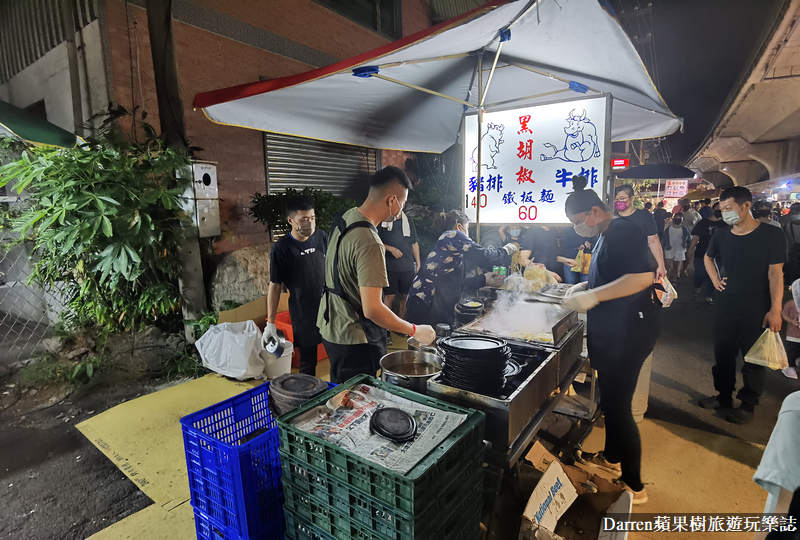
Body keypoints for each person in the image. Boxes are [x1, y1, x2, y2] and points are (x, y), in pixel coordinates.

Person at [562, 176, 659, 505]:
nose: (578, 228)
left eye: (578, 222)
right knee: (612, 399)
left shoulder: (622, 230)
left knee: (618, 408)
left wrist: (594, 296)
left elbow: (644, 276)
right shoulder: (605, 234)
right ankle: (610, 457)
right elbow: (611, 274)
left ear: (594, 211)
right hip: (616, 332)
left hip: (630, 332)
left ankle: (634, 483)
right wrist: (583, 289)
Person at [317, 166, 436, 383]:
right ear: (392, 200)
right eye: (403, 203)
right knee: (357, 399)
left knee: (341, 390)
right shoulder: (370, 241)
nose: (402, 210)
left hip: (331, 325)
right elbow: (372, 309)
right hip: (354, 337)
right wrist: (414, 330)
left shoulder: (346, 218)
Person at [699, 186, 787, 424]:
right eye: (722, 208)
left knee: (753, 360)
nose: (725, 212)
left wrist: (775, 309)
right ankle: (723, 396)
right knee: (723, 355)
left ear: (746, 206)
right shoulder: (721, 235)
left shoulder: (772, 235)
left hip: (756, 308)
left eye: (729, 208)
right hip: (726, 304)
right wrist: (715, 279)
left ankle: (748, 405)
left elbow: (775, 274)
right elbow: (708, 257)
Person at [405, 211, 515, 326]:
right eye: (467, 228)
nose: (468, 234)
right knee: (424, 340)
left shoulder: (452, 248)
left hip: (428, 301)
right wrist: (505, 251)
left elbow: (458, 284)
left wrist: (484, 279)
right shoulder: (453, 234)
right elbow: (485, 257)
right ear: (459, 226)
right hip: (425, 300)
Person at [263, 196, 328, 376]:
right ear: (291, 220)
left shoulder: (322, 237)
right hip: (303, 312)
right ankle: (309, 399)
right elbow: (275, 286)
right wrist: (271, 322)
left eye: (312, 218)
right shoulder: (282, 248)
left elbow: (333, 268)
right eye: (304, 219)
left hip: (328, 307)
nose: (310, 223)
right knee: (308, 363)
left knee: (338, 355)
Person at [378, 210, 420, 343]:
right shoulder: (383, 221)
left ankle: (400, 326)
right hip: (389, 267)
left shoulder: (408, 222)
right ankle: (385, 330)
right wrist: (390, 248)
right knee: (389, 297)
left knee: (405, 296)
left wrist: (418, 263)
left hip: (407, 267)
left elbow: (414, 243)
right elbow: (375, 241)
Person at [614, 185, 667, 279]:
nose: (619, 202)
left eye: (622, 198)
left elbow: (653, 241)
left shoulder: (644, 217)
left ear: (632, 198)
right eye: (616, 199)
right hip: (616, 267)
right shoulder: (612, 218)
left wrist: (661, 265)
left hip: (638, 267)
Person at [689, 202, 727, 303]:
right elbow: (696, 237)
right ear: (713, 210)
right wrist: (690, 249)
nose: (719, 211)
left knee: (715, 275)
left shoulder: (725, 224)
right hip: (702, 253)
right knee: (700, 274)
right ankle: (697, 287)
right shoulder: (703, 223)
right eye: (717, 209)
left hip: (719, 255)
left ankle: (709, 295)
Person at [660, 212, 691, 282]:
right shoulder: (668, 229)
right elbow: (663, 239)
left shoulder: (684, 230)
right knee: (668, 265)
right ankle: (666, 279)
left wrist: (688, 247)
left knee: (676, 265)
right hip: (669, 249)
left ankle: (674, 279)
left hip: (680, 249)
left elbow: (689, 240)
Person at [780, 280, 800, 380]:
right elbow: (783, 314)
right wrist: (791, 321)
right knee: (791, 351)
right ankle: (789, 367)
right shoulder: (791, 303)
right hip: (792, 335)